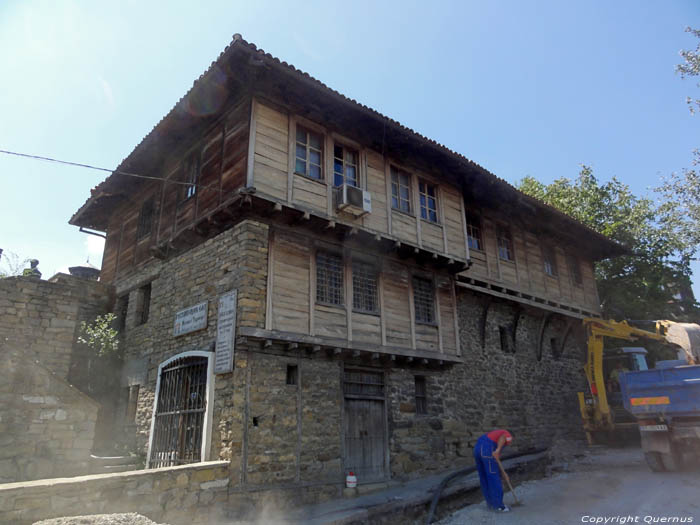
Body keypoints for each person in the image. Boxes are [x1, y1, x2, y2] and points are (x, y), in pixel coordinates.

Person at [473, 429, 513, 512]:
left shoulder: (492, 434)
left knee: (484, 477)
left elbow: (496, 461)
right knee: (494, 478)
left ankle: (490, 504)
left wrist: (503, 473)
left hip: (477, 449)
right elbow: (504, 436)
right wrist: (498, 450)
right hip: (487, 450)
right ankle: (499, 506)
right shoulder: (507, 434)